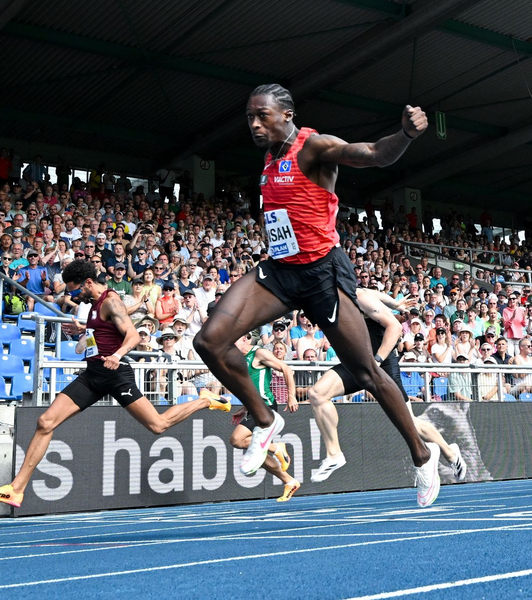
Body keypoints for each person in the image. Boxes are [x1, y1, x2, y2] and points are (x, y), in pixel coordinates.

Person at [192, 84, 440, 506]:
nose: (253, 124)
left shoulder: (315, 148)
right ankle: (265, 421)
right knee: (209, 341)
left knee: (367, 374)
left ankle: (422, 456)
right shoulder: (269, 156)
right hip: (281, 271)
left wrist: (407, 136)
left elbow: (374, 154)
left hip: (322, 273)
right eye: (249, 117)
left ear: (286, 115)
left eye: (262, 116)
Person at [0, 259, 231, 509]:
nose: (73, 294)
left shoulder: (110, 301)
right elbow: (96, 337)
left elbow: (131, 335)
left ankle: (204, 400)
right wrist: (83, 333)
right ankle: (16, 489)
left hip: (116, 374)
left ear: (88, 282)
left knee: (158, 424)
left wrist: (117, 355)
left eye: (76, 289)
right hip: (93, 375)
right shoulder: (93, 306)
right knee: (45, 422)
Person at [306, 289, 466, 484]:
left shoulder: (357, 297)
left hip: (381, 362)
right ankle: (334, 454)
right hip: (357, 361)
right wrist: (395, 303)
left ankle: (450, 453)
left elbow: (395, 328)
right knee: (317, 393)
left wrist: (377, 359)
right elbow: (376, 294)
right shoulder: (328, 301)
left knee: (410, 423)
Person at [229, 333, 300, 502]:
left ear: (245, 338)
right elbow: (251, 388)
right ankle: (289, 481)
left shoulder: (258, 353)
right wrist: (243, 408)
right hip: (253, 407)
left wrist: (291, 396)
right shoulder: (240, 360)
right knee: (256, 452)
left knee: (237, 440)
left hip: (265, 406)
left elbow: (286, 369)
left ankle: (276, 448)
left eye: (234, 340)